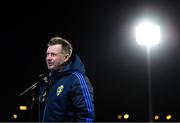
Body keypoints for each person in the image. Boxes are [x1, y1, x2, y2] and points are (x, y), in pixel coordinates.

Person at [38, 36, 95, 122]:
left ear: (66, 57)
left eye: (53, 54)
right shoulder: (47, 81)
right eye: (47, 54)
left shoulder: (77, 79)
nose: (48, 58)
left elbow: (86, 116)